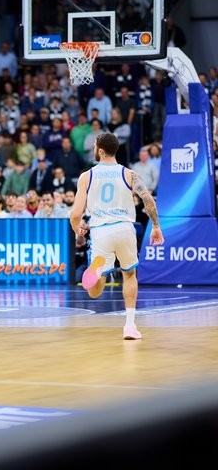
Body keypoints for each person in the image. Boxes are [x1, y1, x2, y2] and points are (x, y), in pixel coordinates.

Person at [69, 133, 164, 341]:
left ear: (100, 151)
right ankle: (129, 326)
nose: (94, 148)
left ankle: (97, 271)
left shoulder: (87, 176)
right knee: (130, 275)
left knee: (95, 292)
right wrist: (156, 226)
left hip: (101, 231)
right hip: (124, 228)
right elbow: (148, 199)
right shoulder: (130, 174)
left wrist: (79, 229)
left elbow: (75, 214)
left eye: (95, 146)